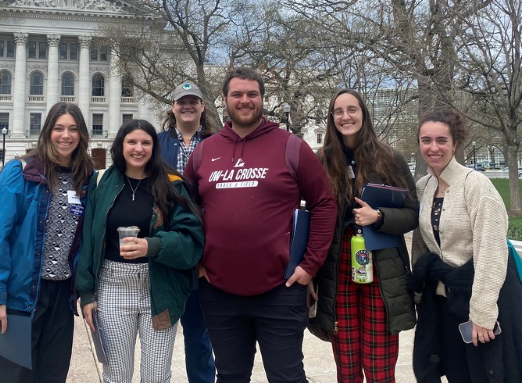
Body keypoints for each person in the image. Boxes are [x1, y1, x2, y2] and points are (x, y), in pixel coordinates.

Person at [184, 67, 338, 383]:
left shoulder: (292, 147)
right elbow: (183, 211)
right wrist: (197, 261)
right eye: (237, 94)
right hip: (219, 290)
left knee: (287, 377)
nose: (245, 100)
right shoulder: (205, 151)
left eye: (252, 94)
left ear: (262, 99)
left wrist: (309, 266)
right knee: (230, 376)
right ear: (224, 100)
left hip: (280, 290)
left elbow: (324, 204)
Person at [410, 109, 522, 383]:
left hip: (485, 300)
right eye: (426, 140)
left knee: (489, 375)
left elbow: (493, 251)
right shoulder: (423, 186)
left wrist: (482, 312)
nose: (433, 148)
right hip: (447, 302)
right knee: (458, 373)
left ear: (455, 144)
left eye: (441, 140)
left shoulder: (476, 185)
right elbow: (423, 245)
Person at [0, 102, 96, 383]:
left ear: (82, 135)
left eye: (73, 129)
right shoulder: (20, 172)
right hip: (18, 295)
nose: (66, 135)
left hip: (60, 297)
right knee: (14, 377)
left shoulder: (84, 178)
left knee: (53, 375)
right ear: (47, 132)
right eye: (59, 128)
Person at [77, 119, 205, 383]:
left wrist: (152, 245)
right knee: (117, 374)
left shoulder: (172, 185)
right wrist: (87, 292)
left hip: (159, 287)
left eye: (145, 142)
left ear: (154, 147)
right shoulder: (102, 184)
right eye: (132, 142)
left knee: (156, 376)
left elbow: (192, 240)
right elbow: (88, 240)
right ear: (121, 146)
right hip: (112, 287)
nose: (138, 148)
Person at [309, 89, 419, 383]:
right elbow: (311, 218)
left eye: (352, 110)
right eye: (338, 111)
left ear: (364, 113)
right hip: (338, 266)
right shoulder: (321, 161)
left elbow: (412, 213)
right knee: (346, 363)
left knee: (379, 363)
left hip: (381, 267)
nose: (346, 117)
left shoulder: (389, 158)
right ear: (331, 118)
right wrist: (310, 273)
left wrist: (380, 217)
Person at [157, 82, 218, 383]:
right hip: (169, 248)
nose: (187, 106)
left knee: (199, 337)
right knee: (159, 339)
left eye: (193, 101)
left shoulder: (218, 142)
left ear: (202, 107)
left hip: (205, 249)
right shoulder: (155, 143)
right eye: (182, 102)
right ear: (173, 107)